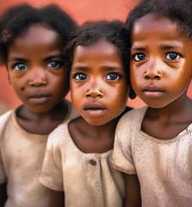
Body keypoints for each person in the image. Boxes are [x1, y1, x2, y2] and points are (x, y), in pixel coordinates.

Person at [112, 0, 192, 206]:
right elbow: (132, 199)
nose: (151, 70)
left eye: (171, 55)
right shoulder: (128, 128)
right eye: (139, 55)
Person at [0, 4, 78, 207]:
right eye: (20, 66)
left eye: (53, 63)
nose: (36, 79)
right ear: (7, 73)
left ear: (71, 67)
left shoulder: (85, 124)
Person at [39, 21, 141, 207]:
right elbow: (55, 200)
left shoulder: (139, 133)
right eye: (80, 76)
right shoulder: (59, 141)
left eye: (111, 76)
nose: (93, 90)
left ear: (132, 85)